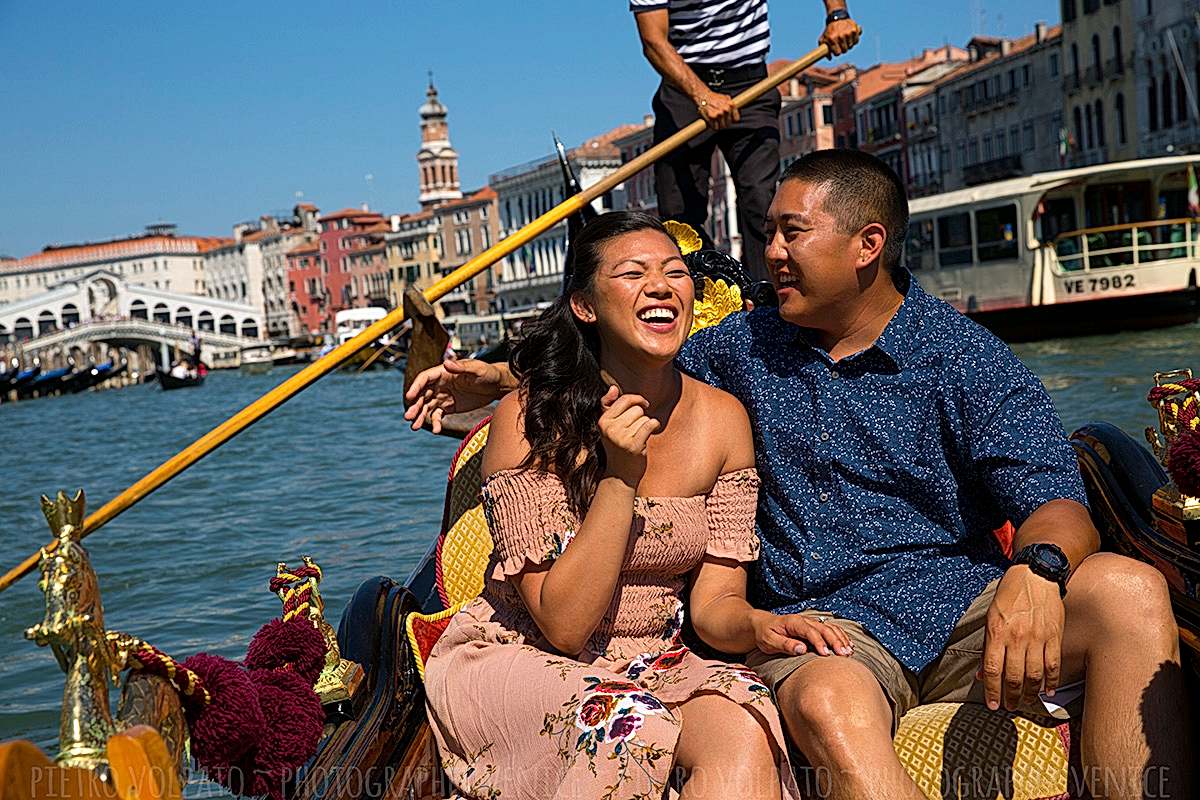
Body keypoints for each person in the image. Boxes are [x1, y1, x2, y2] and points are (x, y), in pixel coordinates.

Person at [405, 151, 1193, 799]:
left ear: (866, 245)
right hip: (823, 631)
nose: (768, 254)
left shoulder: (964, 358)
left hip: (958, 610)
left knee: (1128, 589)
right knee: (826, 698)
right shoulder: (740, 349)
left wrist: (1040, 567)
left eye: (790, 233)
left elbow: (1055, 496)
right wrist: (511, 381)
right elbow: (620, 364)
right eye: (769, 233)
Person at [421, 211, 849, 799]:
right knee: (629, 722)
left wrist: (760, 624)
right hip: (523, 656)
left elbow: (716, 602)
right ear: (585, 307)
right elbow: (564, 625)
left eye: (675, 272)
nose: (660, 285)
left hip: (654, 658)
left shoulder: (723, 420)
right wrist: (621, 478)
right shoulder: (528, 419)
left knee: (745, 720)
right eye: (632, 273)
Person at [632, 0, 860, 282]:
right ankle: (702, 298)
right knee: (680, 215)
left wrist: (837, 15)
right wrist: (702, 96)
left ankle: (767, 298)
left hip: (751, 83)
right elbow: (653, 40)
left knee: (761, 202)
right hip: (682, 87)